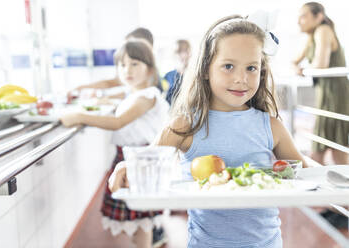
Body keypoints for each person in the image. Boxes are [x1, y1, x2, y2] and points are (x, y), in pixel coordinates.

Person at [109, 14, 309, 247]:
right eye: (228, 66)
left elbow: (304, 171)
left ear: (261, 70)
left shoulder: (271, 126)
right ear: (205, 69)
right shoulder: (184, 125)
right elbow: (148, 163)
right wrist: (126, 166)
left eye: (251, 68)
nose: (241, 79)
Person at [61, 41, 169, 248]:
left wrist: (79, 117)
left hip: (140, 160)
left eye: (134, 64)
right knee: (138, 219)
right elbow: (116, 99)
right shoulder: (134, 92)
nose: (127, 70)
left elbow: (118, 122)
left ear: (150, 68)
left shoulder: (146, 96)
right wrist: (94, 99)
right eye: (122, 65)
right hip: (128, 157)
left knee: (142, 219)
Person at [293, 2, 349, 229]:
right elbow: (297, 61)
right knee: (318, 152)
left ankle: (343, 207)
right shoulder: (313, 35)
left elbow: (321, 63)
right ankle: (336, 205)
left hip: (335, 97)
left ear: (319, 16)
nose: (300, 21)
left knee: (336, 154)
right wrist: (300, 66)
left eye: (304, 16)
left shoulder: (323, 30)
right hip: (326, 97)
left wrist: (303, 68)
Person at [67, 27, 163, 103]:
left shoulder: (150, 78)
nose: (127, 50)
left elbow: (120, 121)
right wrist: (85, 90)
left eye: (132, 46)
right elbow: (122, 89)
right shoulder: (136, 74)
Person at [164, 39, 191, 104]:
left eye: (184, 51)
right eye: (177, 52)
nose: (181, 55)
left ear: (189, 53)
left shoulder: (195, 76)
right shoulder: (168, 76)